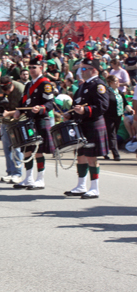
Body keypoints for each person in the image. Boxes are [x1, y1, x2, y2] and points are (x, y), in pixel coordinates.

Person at [63, 53, 109, 199]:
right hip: (82, 125)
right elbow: (76, 104)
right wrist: (71, 114)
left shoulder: (99, 85)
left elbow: (102, 106)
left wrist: (85, 110)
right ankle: (81, 185)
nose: (80, 72)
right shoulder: (83, 86)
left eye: (84, 69)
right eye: (81, 69)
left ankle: (94, 188)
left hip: (93, 125)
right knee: (80, 155)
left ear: (93, 70)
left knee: (91, 157)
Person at [13, 55, 55, 190]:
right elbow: (23, 101)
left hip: (41, 119)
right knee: (27, 149)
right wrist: (19, 110)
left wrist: (41, 108)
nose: (31, 70)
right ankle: (28, 178)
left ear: (41, 68)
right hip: (30, 120)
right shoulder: (29, 84)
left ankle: (40, 179)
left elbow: (50, 103)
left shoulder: (45, 83)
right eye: (30, 67)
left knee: (38, 150)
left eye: (34, 67)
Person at [0, 76, 25, 183]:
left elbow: (23, 108)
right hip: (4, 121)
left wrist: (8, 113)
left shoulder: (20, 88)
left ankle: (17, 174)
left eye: (8, 90)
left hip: (18, 119)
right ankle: (10, 172)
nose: (7, 92)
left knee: (17, 147)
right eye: (4, 90)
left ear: (12, 85)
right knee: (7, 148)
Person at [104, 75, 133, 160]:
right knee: (112, 135)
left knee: (112, 134)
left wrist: (130, 110)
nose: (118, 83)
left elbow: (125, 103)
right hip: (108, 117)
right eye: (116, 81)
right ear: (111, 83)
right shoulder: (107, 92)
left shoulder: (119, 92)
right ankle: (116, 154)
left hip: (118, 116)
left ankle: (105, 151)